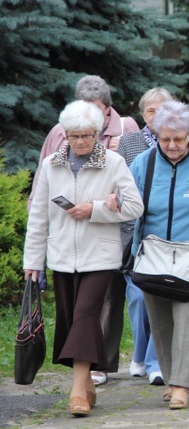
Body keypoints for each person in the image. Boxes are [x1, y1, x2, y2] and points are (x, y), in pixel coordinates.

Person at [23, 100, 144, 417]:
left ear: (97, 133)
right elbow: (38, 215)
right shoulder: (51, 164)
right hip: (62, 256)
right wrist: (33, 261)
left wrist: (96, 209)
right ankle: (88, 385)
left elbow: (134, 207)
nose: (80, 142)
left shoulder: (114, 162)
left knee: (86, 315)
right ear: (65, 135)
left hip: (101, 256)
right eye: (74, 136)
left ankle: (77, 390)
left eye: (87, 135)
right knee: (70, 319)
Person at [129, 101, 189, 410]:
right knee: (160, 323)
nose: (172, 145)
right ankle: (171, 380)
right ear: (156, 133)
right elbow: (127, 202)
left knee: (187, 321)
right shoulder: (142, 164)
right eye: (165, 138)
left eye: (179, 138)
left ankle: (182, 385)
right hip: (153, 254)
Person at [116, 87, 174, 386]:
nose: (157, 116)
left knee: (162, 295)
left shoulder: (183, 141)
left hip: (169, 234)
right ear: (143, 114)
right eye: (151, 111)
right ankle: (140, 353)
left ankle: (156, 362)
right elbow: (118, 182)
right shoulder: (128, 142)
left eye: (163, 110)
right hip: (134, 234)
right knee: (138, 297)